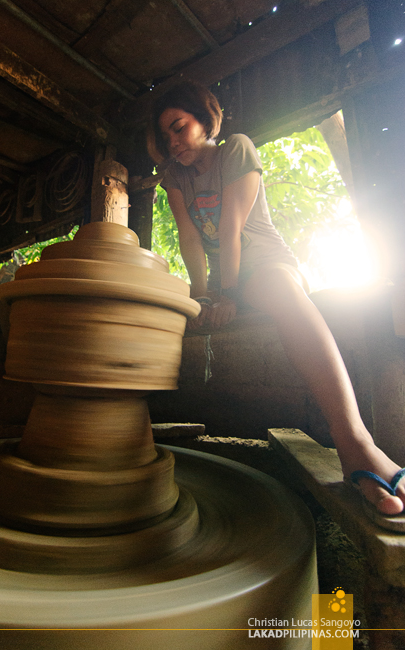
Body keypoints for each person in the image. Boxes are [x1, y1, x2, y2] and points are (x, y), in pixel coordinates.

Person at [147, 81, 405, 526]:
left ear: (206, 120)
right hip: (226, 280)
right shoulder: (176, 178)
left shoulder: (237, 150)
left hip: (265, 264)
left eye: (179, 127)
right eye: (164, 137)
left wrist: (226, 294)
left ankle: (356, 444)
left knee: (284, 294)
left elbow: (230, 228)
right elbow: (191, 240)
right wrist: (202, 294)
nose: (173, 142)